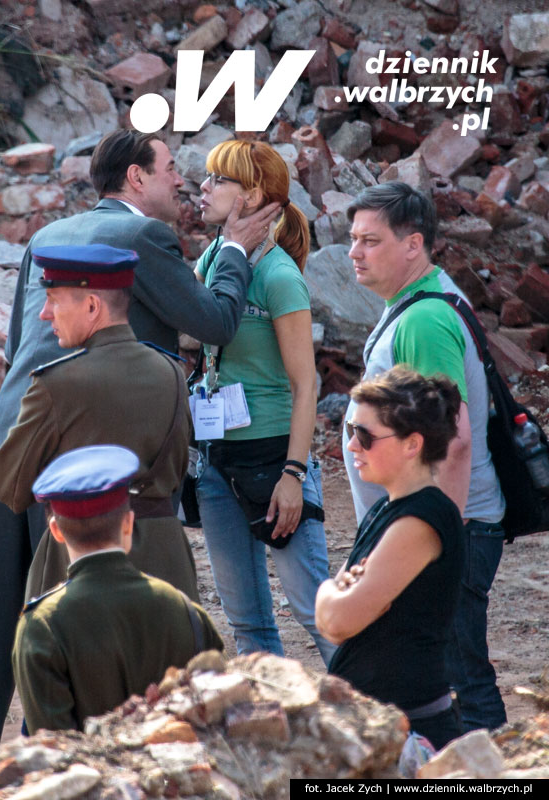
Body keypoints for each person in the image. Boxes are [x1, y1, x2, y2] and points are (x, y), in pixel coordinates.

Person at [0, 129, 279, 778]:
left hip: (13, 436)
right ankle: (63, 772)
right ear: (133, 179)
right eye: (169, 169)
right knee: (76, 619)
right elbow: (213, 321)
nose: (180, 182)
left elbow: (21, 342)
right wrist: (234, 249)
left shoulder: (48, 235)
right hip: (82, 466)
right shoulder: (144, 239)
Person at [344, 181, 506, 732]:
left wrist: (439, 536)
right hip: (434, 523)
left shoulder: (423, 319)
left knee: (458, 679)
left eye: (370, 241)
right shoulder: (414, 304)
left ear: (413, 244)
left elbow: (453, 439)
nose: (354, 253)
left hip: (447, 525)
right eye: (353, 240)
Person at [192, 139, 335, 665]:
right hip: (216, 461)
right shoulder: (213, 258)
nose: (203, 189)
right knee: (247, 620)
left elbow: (306, 385)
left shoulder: (278, 276)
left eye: (217, 181)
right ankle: (277, 733)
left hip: (276, 458)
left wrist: (294, 475)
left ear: (251, 196)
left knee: (318, 610)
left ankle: (389, 727)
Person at [0, 244, 194, 596]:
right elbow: (176, 471)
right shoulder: (172, 372)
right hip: (165, 562)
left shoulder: (56, 384)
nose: (44, 313)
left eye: (54, 299)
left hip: (81, 562)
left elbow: (9, 487)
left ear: (91, 305)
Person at [13, 445, 223, 734]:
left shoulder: (41, 627)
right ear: (128, 523)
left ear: (56, 531)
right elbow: (217, 718)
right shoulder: (186, 611)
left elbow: (51, 749)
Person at [317, 367, 466, 749]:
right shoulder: (387, 509)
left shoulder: (423, 518)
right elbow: (336, 620)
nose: (351, 446)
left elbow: (338, 619)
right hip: (384, 726)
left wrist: (328, 591)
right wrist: (337, 597)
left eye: (364, 436)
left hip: (409, 733)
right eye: (351, 431)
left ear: (412, 444)